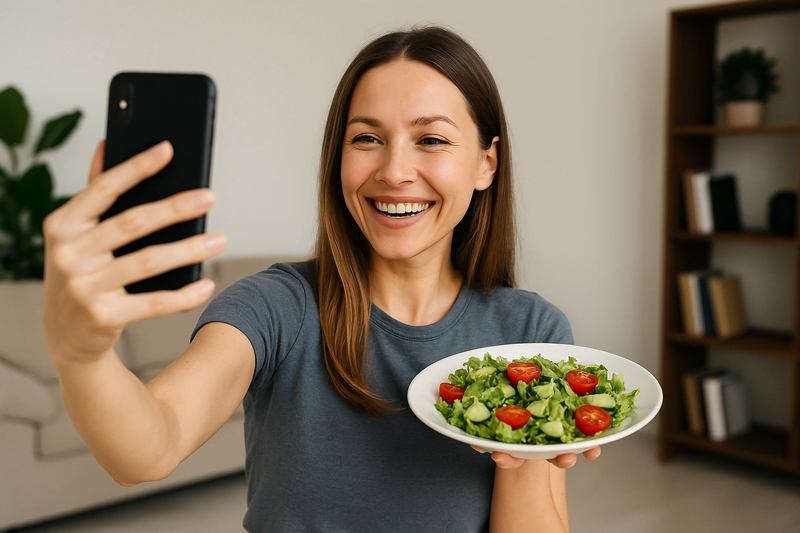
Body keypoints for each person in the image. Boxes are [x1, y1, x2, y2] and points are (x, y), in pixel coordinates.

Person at [42, 26, 600, 532]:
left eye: (431, 140)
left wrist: (526, 446)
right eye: (366, 138)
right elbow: (148, 450)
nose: (394, 171)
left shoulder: (530, 329)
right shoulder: (275, 306)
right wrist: (82, 357)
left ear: (486, 164)